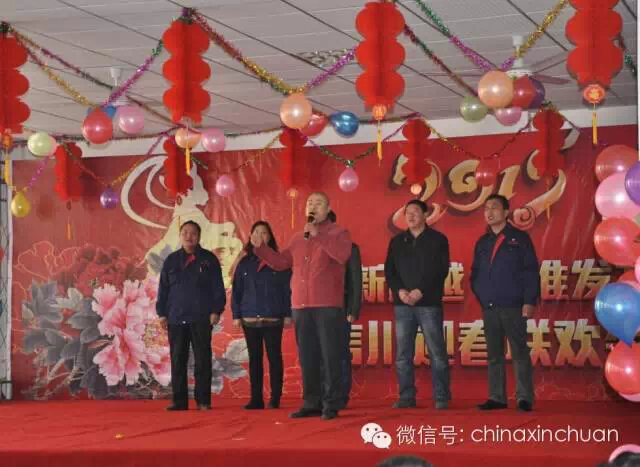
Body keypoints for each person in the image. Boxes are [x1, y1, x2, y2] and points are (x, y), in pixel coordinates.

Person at [252, 192, 352, 420]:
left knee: (330, 356)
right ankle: (311, 402)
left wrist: (318, 236)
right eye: (309, 203)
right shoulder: (298, 238)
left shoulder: (339, 233)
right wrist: (261, 249)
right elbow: (281, 263)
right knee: (308, 356)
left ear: (328, 209)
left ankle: (331, 403)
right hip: (300, 305)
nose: (313, 206)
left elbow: (342, 256)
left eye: (318, 203)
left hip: (327, 304)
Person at [470, 194, 539, 412]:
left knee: (519, 352)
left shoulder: (519, 238)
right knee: (494, 354)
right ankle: (497, 397)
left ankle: (524, 397)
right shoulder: (482, 242)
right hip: (490, 306)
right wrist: (482, 295)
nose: (489, 212)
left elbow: (531, 272)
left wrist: (529, 300)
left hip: (514, 305)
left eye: (494, 207)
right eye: (486, 209)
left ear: (506, 212)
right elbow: (475, 274)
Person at [385, 199, 451, 410]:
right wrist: (400, 291)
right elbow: (390, 271)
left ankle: (441, 396)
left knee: (436, 352)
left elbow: (440, 270)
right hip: (403, 304)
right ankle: (406, 396)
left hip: (428, 303)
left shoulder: (438, 240)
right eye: (408, 213)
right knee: (403, 354)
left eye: (415, 212)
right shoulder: (397, 241)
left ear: (425, 215)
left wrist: (420, 290)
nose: (411, 216)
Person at [156, 221, 226, 411]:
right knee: (177, 359)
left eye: (193, 233)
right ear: (180, 236)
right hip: (176, 317)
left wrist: (216, 310)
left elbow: (218, 288)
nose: (189, 236)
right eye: (185, 232)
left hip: (201, 317)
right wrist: (162, 313)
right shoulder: (171, 260)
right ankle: (179, 402)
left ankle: (203, 401)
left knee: (203, 360)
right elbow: (163, 289)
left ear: (199, 236)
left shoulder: (209, 260)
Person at [231, 221, 292, 410]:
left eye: (264, 233)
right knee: (254, 359)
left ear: (270, 237)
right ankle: (256, 398)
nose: (259, 236)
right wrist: (236, 315)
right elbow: (237, 290)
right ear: (250, 237)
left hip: (273, 317)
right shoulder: (244, 263)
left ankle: (275, 398)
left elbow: (287, 290)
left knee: (274, 358)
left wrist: (288, 314)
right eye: (256, 232)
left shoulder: (279, 262)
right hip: (250, 318)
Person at [326, 210, 362, 410]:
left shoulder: (349, 248)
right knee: (318, 353)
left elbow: (355, 280)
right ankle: (322, 395)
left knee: (339, 353)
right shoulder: (308, 246)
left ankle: (340, 395)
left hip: (341, 308)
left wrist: (353, 309)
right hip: (315, 309)